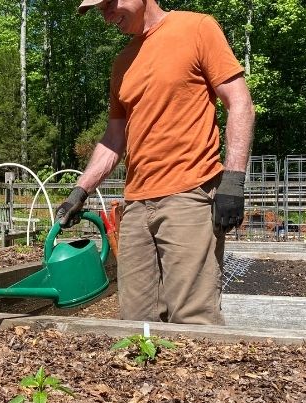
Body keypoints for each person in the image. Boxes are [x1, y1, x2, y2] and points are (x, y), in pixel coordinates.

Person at [56, 0, 255, 325]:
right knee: (136, 322)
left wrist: (233, 180)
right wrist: (80, 191)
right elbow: (113, 139)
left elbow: (240, 103)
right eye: (99, 11)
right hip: (135, 207)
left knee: (192, 321)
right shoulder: (122, 63)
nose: (105, 17)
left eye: (107, 4)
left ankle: (195, 378)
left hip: (189, 196)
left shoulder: (196, 28)